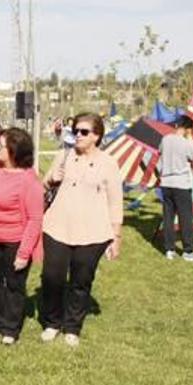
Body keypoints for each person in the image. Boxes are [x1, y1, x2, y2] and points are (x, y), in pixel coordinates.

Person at [41, 112, 123, 347]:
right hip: (57, 227)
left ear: (96, 136)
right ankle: (52, 322)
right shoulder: (63, 155)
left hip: (93, 232)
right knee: (52, 277)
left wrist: (116, 237)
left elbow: (115, 202)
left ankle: (72, 326)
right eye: (75, 131)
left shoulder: (109, 163)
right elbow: (44, 185)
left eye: (84, 132)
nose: (78, 135)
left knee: (81, 280)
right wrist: (52, 178)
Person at [0, 128, 44, 344]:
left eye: (1, 145)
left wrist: (24, 253)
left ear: (14, 151)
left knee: (14, 286)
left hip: (15, 242)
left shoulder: (29, 180)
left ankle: (10, 328)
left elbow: (35, 219)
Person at [159, 115, 193, 261]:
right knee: (185, 218)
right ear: (188, 129)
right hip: (181, 184)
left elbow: (160, 154)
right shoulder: (186, 143)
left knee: (168, 218)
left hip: (166, 183)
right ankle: (188, 251)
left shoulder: (165, 139)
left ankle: (169, 250)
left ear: (177, 125)